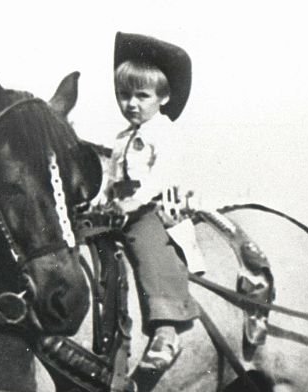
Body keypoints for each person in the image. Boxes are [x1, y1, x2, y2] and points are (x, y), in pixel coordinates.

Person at [100, 32, 199, 372]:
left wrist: (136, 201)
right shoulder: (121, 138)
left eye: (141, 96)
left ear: (163, 96)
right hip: (120, 209)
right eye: (123, 95)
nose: (131, 103)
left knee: (148, 245)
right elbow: (110, 177)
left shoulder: (163, 131)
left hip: (153, 208)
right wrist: (102, 200)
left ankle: (166, 330)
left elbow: (162, 175)